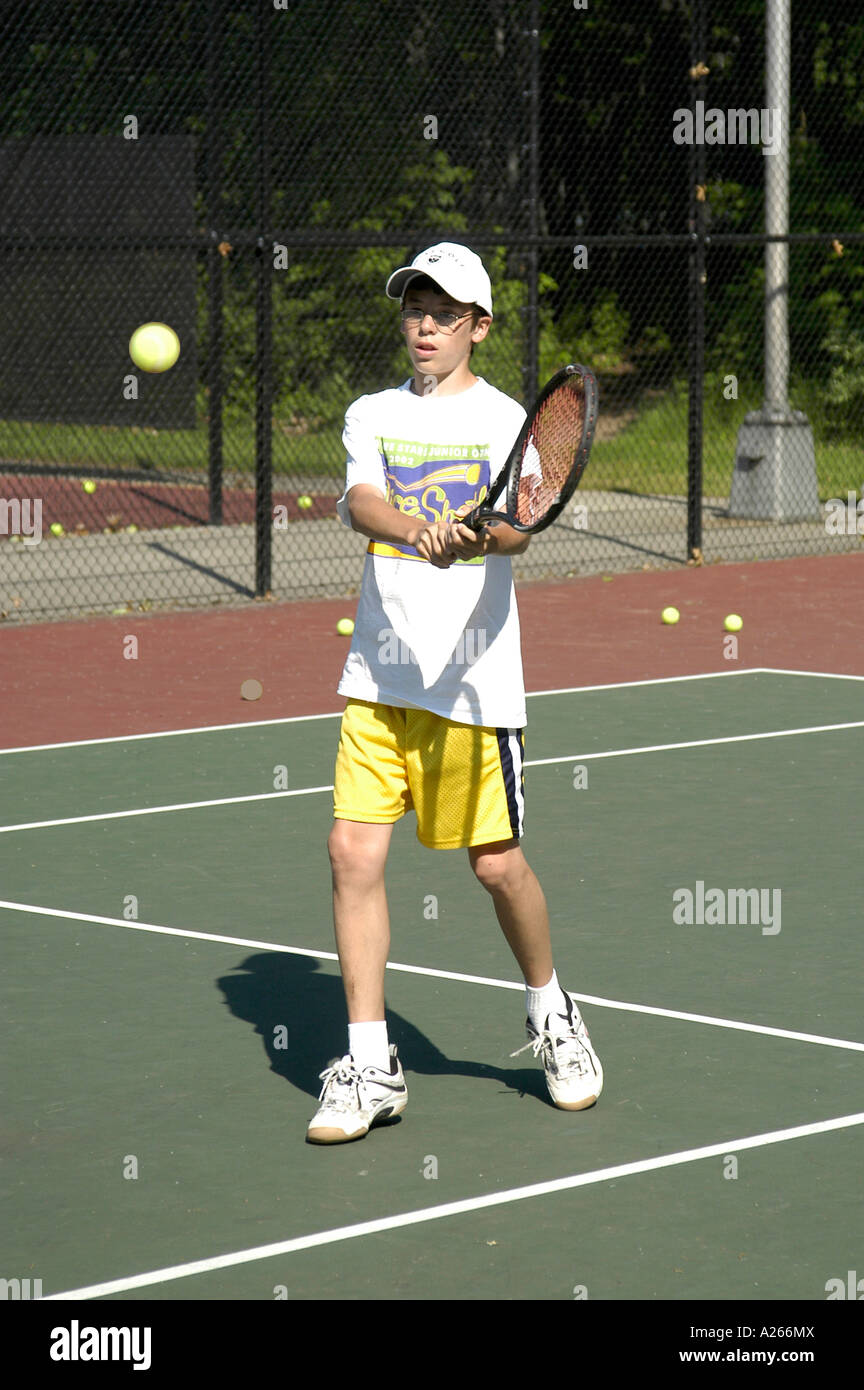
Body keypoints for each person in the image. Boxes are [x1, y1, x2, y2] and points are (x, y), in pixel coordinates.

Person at [306, 242, 602, 1143]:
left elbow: (520, 527)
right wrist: (412, 528)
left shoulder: (511, 420)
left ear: (478, 326)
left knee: (496, 866)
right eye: (413, 309)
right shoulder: (371, 412)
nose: (424, 326)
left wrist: (475, 538)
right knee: (353, 854)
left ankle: (552, 1013)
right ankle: (369, 1061)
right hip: (380, 679)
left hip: (473, 683)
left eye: (444, 313)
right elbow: (360, 501)